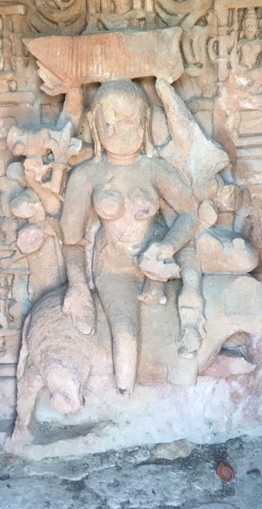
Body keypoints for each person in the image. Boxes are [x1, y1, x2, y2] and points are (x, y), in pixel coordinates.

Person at [60, 80, 203, 394]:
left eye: (130, 122)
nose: (120, 132)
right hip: (114, 265)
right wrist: (78, 286)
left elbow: (191, 214)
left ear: (146, 122)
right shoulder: (87, 175)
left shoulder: (154, 169)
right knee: (125, 337)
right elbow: (71, 240)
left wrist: (167, 246)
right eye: (109, 123)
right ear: (93, 124)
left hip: (157, 260)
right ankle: (124, 398)